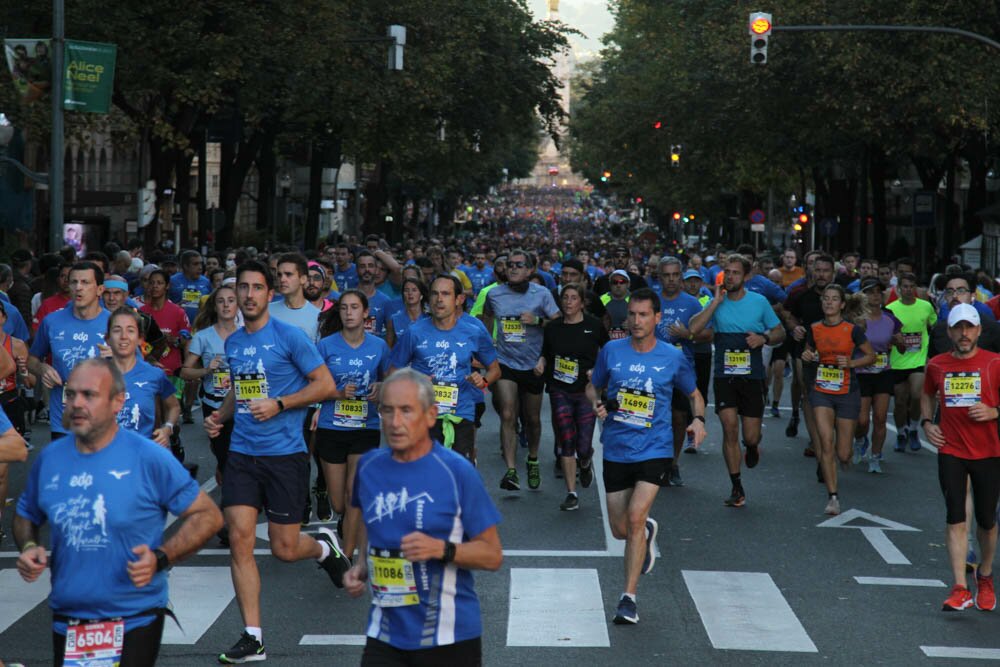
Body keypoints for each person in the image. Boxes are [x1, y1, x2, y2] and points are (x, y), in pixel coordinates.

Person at [13, 359, 222, 666]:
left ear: (117, 402)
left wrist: (161, 557)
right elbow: (25, 515)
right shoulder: (50, 459)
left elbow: (208, 516)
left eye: (89, 395)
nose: (77, 403)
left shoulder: (148, 457)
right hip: (68, 616)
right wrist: (29, 547)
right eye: (71, 394)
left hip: (133, 615)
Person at [203, 260, 350, 664]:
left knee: (285, 549)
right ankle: (253, 637)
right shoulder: (233, 343)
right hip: (243, 455)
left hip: (285, 455)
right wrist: (221, 415)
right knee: (240, 540)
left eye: (256, 288)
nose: (248, 296)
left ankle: (322, 548)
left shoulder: (290, 337)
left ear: (270, 294)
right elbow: (239, 388)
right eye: (243, 288)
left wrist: (282, 403)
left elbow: (325, 385)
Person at [343, 369, 503, 665]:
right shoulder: (368, 467)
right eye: (387, 411)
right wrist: (362, 565)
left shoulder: (457, 472)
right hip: (385, 634)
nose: (394, 422)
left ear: (431, 416)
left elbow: (492, 555)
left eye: (406, 411)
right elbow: (373, 522)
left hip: (448, 637)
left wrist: (442, 549)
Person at [587, 288, 706, 624]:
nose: (636, 321)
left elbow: (694, 394)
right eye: (633, 315)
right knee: (620, 529)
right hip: (616, 448)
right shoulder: (611, 351)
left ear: (657, 318)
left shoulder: (672, 356)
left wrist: (698, 420)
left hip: (655, 448)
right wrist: (595, 402)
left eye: (644, 315)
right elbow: (593, 386)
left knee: (636, 517)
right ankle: (645, 533)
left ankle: (628, 598)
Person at [921, 304, 1000, 612]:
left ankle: (985, 574)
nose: (964, 334)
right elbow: (926, 394)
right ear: (949, 332)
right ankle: (959, 587)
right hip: (951, 449)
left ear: (979, 330)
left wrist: (995, 412)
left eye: (969, 327)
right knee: (955, 517)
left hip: (989, 451)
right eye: (958, 328)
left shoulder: (994, 363)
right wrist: (927, 423)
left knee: (986, 521)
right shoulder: (938, 365)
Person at [689, 255, 785, 508]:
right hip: (725, 376)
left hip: (752, 377)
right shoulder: (715, 301)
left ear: (745, 276)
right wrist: (714, 303)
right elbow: (693, 329)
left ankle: (752, 448)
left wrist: (764, 338)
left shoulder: (759, 302)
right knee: (729, 427)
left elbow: (779, 332)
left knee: (750, 436)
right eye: (726, 272)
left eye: (735, 273)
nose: (730, 277)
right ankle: (736, 485)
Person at [313, 290, 390, 562]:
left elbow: (390, 380)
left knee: (353, 492)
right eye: (344, 308)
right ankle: (347, 523)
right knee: (338, 502)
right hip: (331, 428)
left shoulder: (379, 346)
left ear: (366, 313)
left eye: (355, 307)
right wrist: (337, 393)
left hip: (365, 428)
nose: (349, 313)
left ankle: (346, 556)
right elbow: (313, 387)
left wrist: (381, 388)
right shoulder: (325, 345)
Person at [390, 275, 500, 463]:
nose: (439, 299)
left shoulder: (473, 331)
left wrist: (484, 381)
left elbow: (495, 369)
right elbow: (392, 373)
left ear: (459, 299)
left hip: (461, 412)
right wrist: (413, 379)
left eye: (446, 294)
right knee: (427, 473)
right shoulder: (414, 332)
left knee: (456, 473)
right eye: (434, 294)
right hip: (423, 413)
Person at [483, 249, 561, 491]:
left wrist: (538, 321)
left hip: (533, 365)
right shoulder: (494, 294)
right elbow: (485, 318)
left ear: (530, 270)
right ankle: (511, 471)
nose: (513, 268)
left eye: (519, 265)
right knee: (507, 413)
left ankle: (533, 458)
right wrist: (488, 348)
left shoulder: (542, 294)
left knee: (533, 420)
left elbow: (559, 324)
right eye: (509, 265)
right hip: (506, 362)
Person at [800, 285, 875, 515]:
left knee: (844, 454)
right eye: (826, 299)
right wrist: (808, 356)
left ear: (842, 304)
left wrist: (852, 363)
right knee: (825, 442)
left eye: (834, 299)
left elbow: (871, 356)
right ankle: (833, 497)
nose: (829, 303)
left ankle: (850, 449)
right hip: (821, 389)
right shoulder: (814, 329)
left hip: (847, 391)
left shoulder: (852, 330)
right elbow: (808, 353)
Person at [538, 283, 608, 510]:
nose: (568, 302)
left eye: (573, 298)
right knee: (566, 439)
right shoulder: (553, 328)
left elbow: (608, 354)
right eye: (565, 297)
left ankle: (586, 461)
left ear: (582, 302)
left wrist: (596, 371)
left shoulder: (594, 326)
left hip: (585, 391)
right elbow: (545, 353)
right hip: (559, 389)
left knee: (584, 444)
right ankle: (571, 492)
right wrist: (541, 361)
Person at [28, 262, 111, 441]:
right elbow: (32, 359)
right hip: (64, 418)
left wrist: (116, 360)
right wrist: (43, 369)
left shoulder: (115, 324)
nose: (78, 288)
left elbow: (136, 367)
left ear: (99, 289)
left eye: (85, 282)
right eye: (74, 282)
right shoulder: (52, 322)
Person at [655, 257, 711, 483]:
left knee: (679, 418)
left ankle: (673, 464)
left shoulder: (692, 303)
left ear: (680, 276)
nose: (671, 280)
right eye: (666, 275)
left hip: (681, 368)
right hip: (653, 368)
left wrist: (687, 334)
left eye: (675, 275)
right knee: (655, 418)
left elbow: (709, 334)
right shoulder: (652, 300)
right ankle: (654, 461)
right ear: (659, 277)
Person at [102, 307, 180, 446]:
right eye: (117, 330)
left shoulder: (154, 374)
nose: (123, 336)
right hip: (105, 458)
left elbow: (174, 406)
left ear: (140, 339)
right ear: (107, 338)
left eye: (130, 330)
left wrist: (167, 429)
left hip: (142, 457)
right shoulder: (93, 376)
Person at [853, 278, 904, 474]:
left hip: (883, 372)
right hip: (862, 372)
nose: (875, 295)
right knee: (862, 420)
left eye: (878, 292)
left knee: (881, 417)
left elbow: (902, 347)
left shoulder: (890, 318)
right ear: (862, 296)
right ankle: (860, 440)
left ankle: (875, 456)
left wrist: (899, 342)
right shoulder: (856, 319)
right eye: (870, 292)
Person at [887, 272, 937, 452]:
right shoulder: (891, 308)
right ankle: (901, 433)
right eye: (905, 287)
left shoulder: (925, 306)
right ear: (899, 289)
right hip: (897, 361)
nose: (908, 290)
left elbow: (935, 327)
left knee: (916, 396)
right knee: (900, 401)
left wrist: (932, 353)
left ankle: (914, 429)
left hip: (918, 359)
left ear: (915, 288)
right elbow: (886, 334)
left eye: (911, 286)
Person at [385, 277, 428, 348]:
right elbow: (388, 349)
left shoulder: (430, 318)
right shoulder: (394, 320)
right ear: (403, 294)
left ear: (421, 295)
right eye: (406, 290)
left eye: (414, 290)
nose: (410, 293)